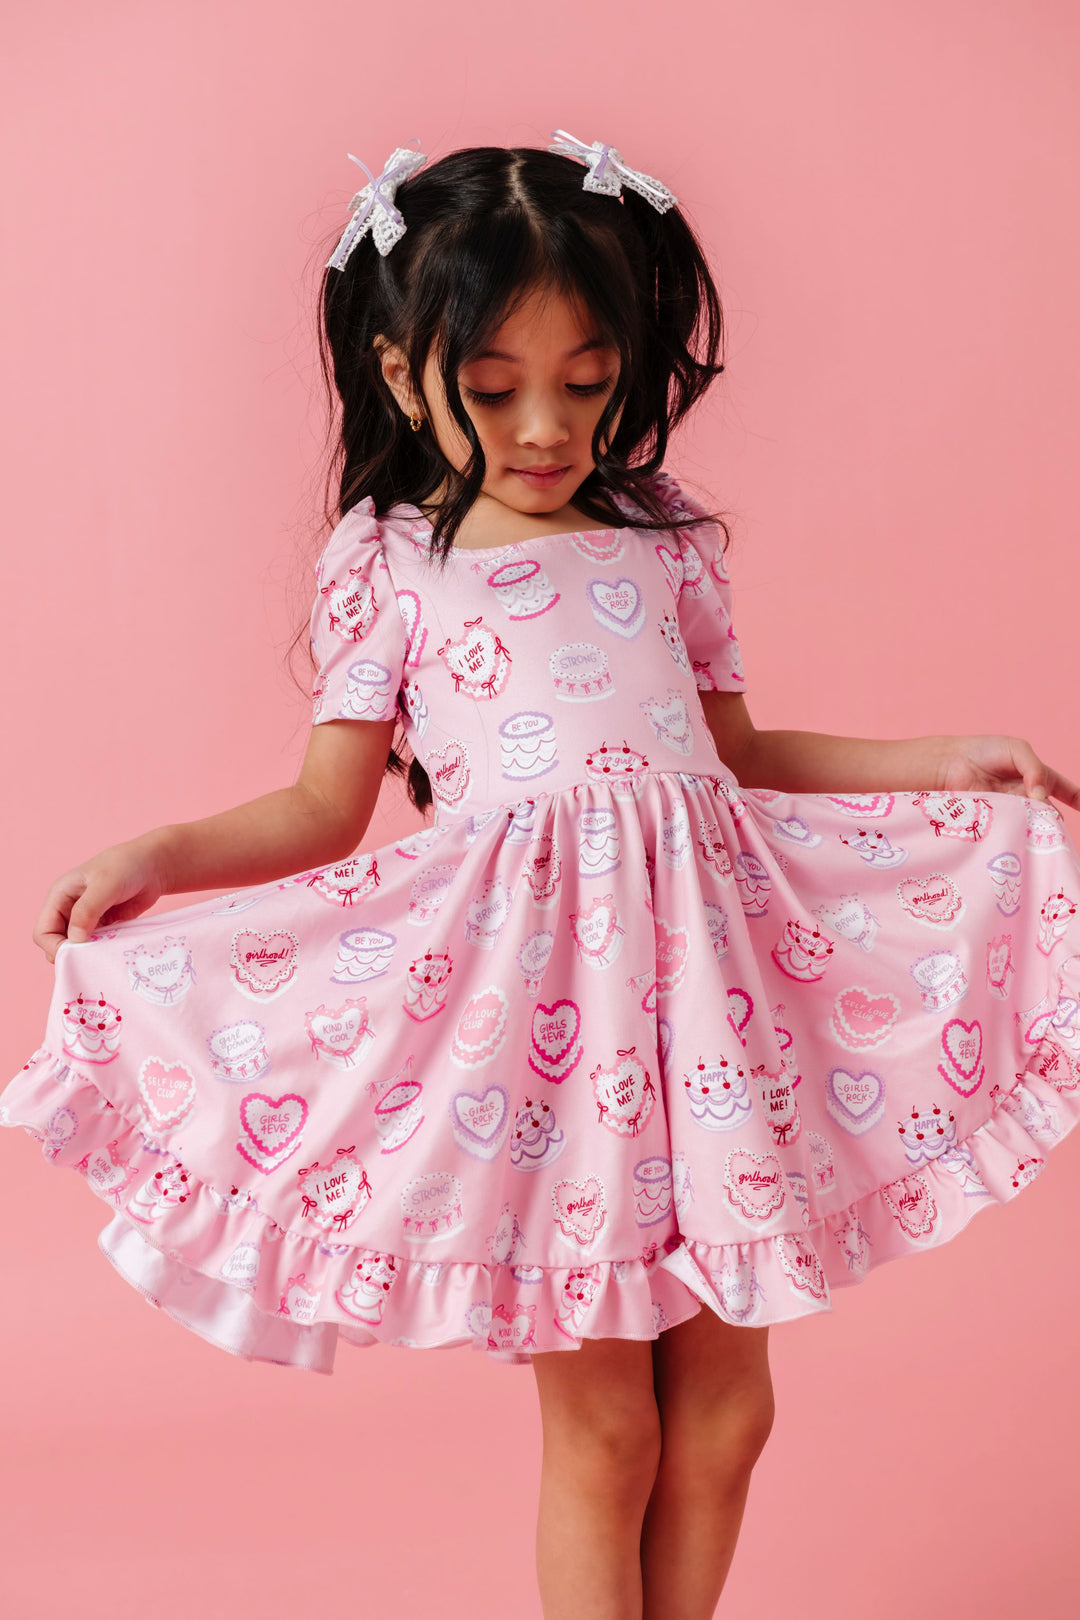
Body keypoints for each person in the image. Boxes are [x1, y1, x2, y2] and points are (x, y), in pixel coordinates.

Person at [4, 130, 1080, 1620]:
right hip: (548, 1022)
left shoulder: (666, 542)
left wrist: (947, 758)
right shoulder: (389, 560)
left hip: (712, 997)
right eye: (495, 386)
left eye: (586, 381)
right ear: (398, 373)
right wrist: (159, 856)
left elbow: (738, 754)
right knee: (610, 1423)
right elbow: (327, 808)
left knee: (728, 1411)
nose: (547, 424)